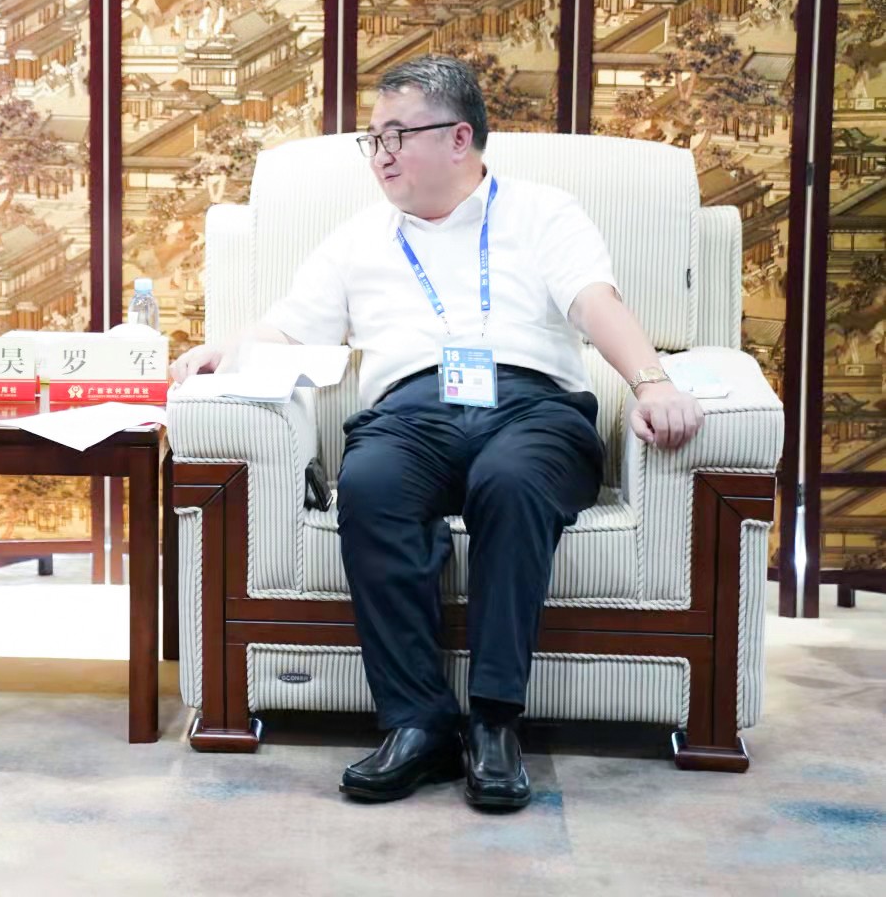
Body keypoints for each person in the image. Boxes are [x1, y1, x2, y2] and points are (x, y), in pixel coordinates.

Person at [169, 55, 704, 812]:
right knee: (369, 485)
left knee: (511, 483)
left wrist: (652, 381)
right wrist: (225, 350)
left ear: (459, 138)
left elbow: (595, 302)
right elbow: (290, 327)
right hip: (411, 413)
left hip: (532, 406)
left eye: (398, 134)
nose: (381, 154)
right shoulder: (359, 237)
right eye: (373, 138)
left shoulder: (543, 212)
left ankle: (494, 723)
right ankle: (417, 723)